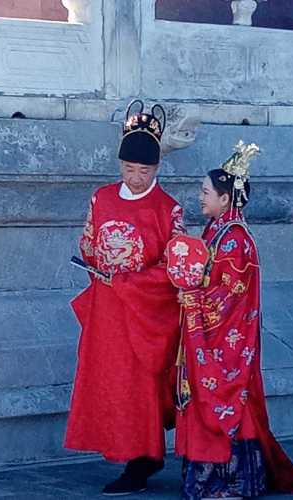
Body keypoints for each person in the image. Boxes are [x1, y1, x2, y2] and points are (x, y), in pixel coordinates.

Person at [169, 141, 293, 500]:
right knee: (210, 397)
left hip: (226, 340)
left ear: (225, 199)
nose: (200, 197)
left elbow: (229, 296)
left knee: (230, 399)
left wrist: (193, 298)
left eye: (205, 192)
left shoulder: (235, 240)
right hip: (210, 336)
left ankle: (232, 481)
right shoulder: (215, 231)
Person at [64, 100, 185, 496]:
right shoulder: (101, 198)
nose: (135, 177)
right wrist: (100, 266)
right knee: (112, 380)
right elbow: (88, 243)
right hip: (109, 308)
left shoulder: (169, 209)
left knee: (142, 385)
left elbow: (175, 265)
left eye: (144, 170)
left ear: (157, 169)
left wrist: (132, 281)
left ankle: (144, 458)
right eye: (129, 169)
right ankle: (125, 452)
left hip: (147, 312)